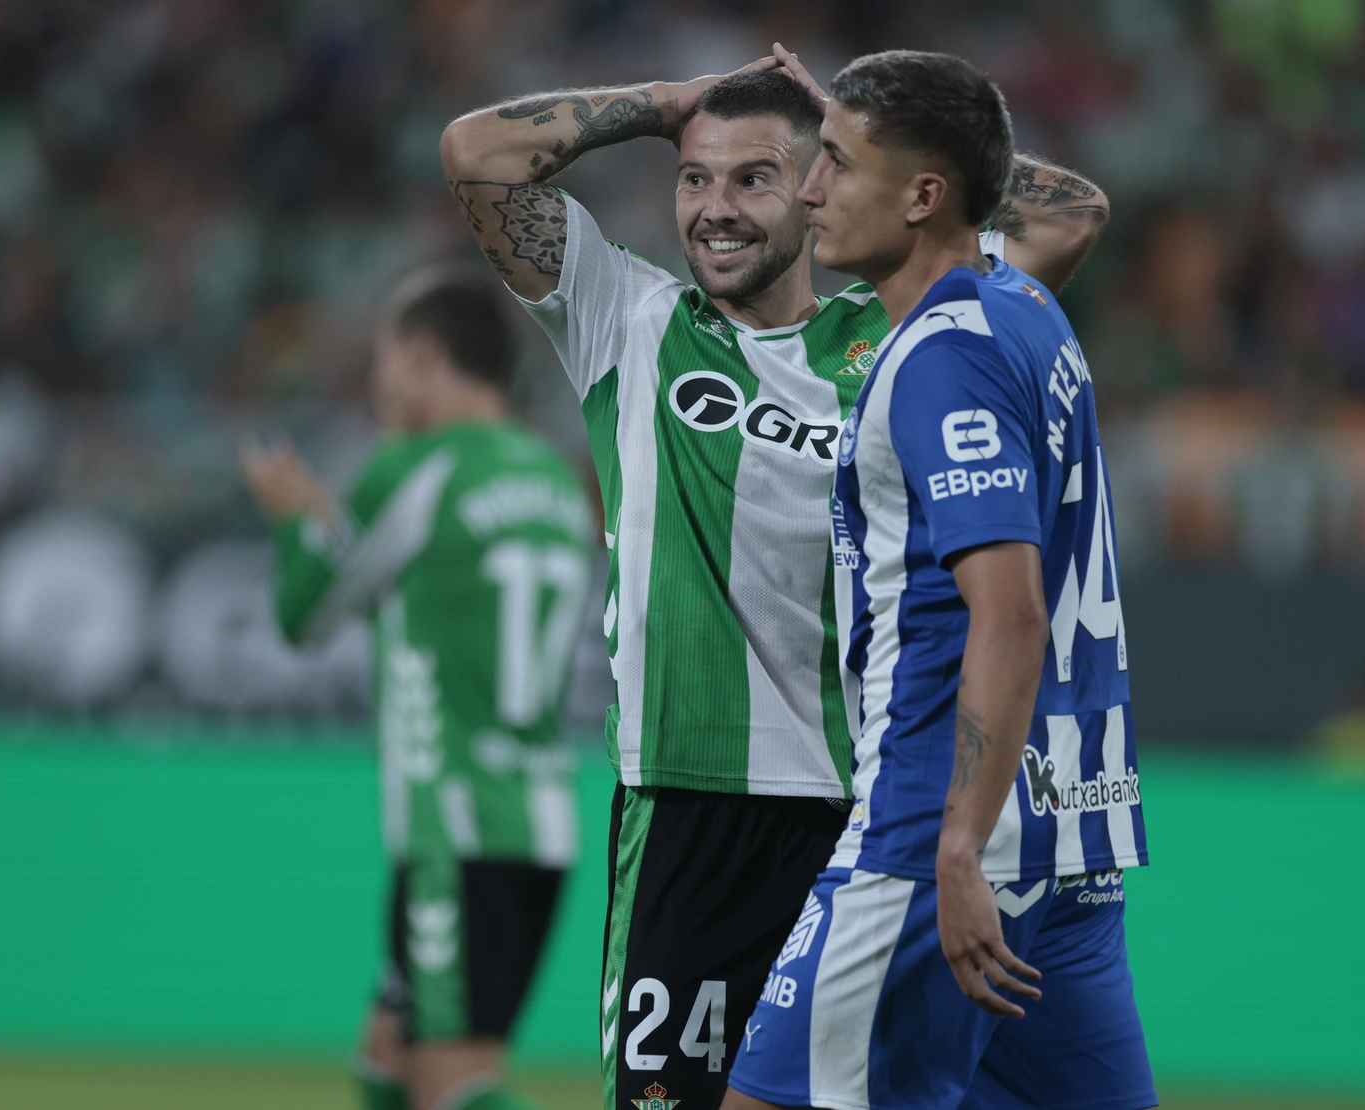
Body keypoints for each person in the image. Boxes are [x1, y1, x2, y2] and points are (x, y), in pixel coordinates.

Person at [440, 49, 1109, 1110]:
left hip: (861, 818)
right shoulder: (629, 322)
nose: (713, 208)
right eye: (694, 179)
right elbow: (477, 153)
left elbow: (1070, 213)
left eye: (754, 177)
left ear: (817, 184)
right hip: (688, 814)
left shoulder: (893, 336)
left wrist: (857, 118)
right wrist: (664, 104)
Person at [724, 51, 1153, 1110]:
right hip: (1071, 827)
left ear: (922, 196)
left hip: (939, 834)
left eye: (832, 162)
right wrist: (879, 124)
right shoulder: (1022, 307)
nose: (808, 191)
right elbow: (1069, 207)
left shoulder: (938, 357)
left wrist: (956, 844)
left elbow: (1006, 611)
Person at [240, 269, 594, 1110]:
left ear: (427, 356)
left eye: (384, 358)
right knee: (386, 1064)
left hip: (456, 823)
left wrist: (300, 516)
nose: (376, 383)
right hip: (538, 815)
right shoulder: (556, 482)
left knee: (450, 1084)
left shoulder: (414, 468)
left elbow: (306, 615)